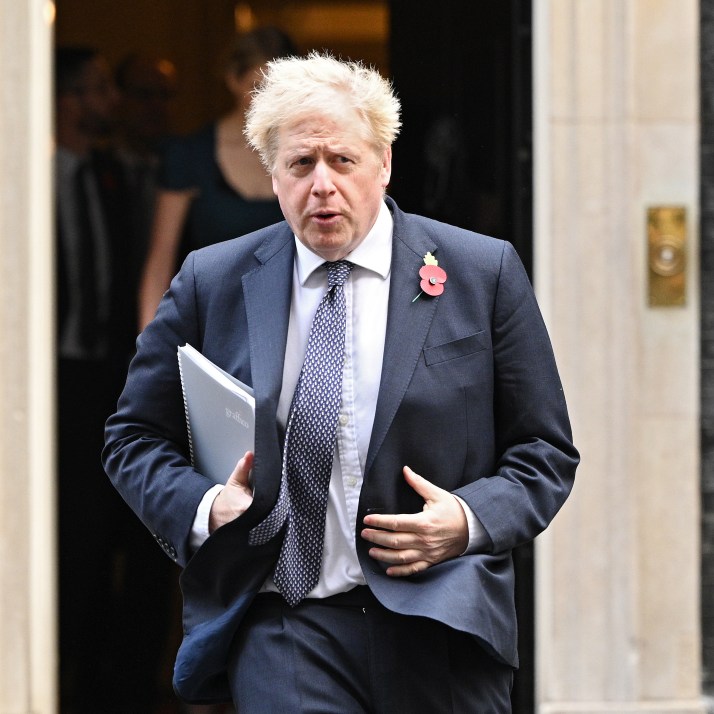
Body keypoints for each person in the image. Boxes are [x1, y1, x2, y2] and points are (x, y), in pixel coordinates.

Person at [103, 53, 579, 712]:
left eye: (343, 160)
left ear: (384, 163)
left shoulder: (481, 273)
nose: (322, 185)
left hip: (439, 621)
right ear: (273, 175)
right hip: (284, 623)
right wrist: (207, 508)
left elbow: (544, 453)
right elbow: (132, 438)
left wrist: (467, 522)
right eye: (301, 164)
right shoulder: (212, 281)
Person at [55, 46, 171, 713]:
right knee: (79, 536)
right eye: (99, 89)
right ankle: (74, 682)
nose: (115, 103)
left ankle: (130, 687)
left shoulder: (120, 176)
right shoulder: (34, 177)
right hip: (61, 381)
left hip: (123, 374)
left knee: (143, 533)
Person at [137, 27, 297, 330]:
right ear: (233, 79)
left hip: (291, 325)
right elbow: (160, 261)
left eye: (282, 89)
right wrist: (149, 346)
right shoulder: (191, 155)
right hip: (212, 326)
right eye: (258, 86)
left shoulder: (306, 155)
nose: (270, 100)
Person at [114, 53, 179, 271]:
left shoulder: (182, 169)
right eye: (144, 95)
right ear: (119, 98)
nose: (156, 105)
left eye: (165, 95)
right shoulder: (94, 171)